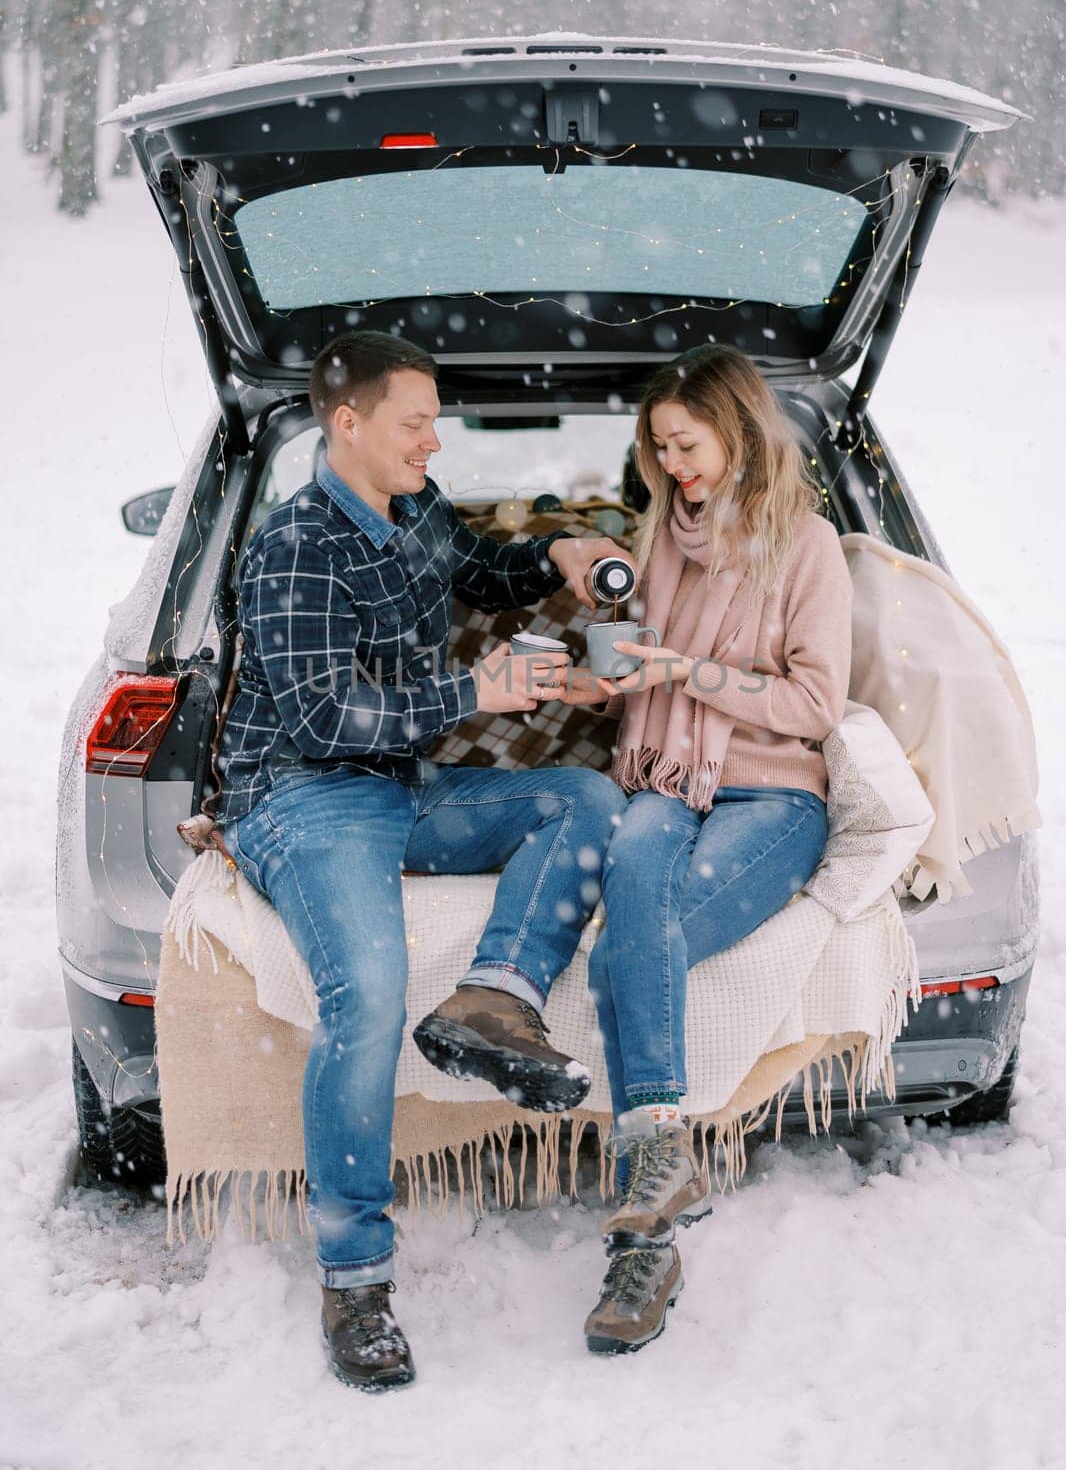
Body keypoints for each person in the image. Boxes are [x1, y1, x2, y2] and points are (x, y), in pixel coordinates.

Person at [216, 330, 627, 1391]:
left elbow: (480, 571)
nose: (433, 441)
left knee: (580, 797)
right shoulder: (294, 543)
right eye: (415, 422)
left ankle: (491, 1000)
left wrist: (557, 557)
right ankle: (355, 1276)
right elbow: (317, 716)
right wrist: (471, 696)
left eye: (434, 422)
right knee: (368, 990)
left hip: (399, 784)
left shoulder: (417, 510)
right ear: (346, 423)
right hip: (301, 795)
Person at [560, 344, 853, 1355]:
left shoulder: (806, 546)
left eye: (685, 444)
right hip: (661, 783)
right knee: (637, 889)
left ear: (735, 429)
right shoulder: (661, 535)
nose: (674, 466)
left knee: (624, 950)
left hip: (770, 793)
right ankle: (661, 1176)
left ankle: (644, 1234)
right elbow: (636, 660)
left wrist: (689, 671)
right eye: (658, 450)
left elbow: (814, 704)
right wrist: (598, 680)